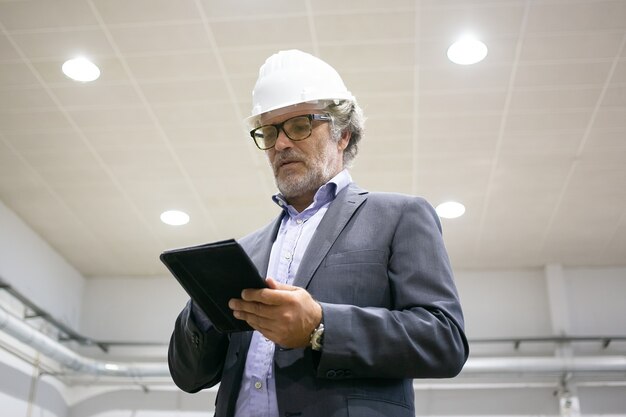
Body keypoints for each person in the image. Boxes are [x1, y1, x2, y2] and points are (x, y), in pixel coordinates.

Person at [168, 49, 469, 417]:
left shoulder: (399, 216)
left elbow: (443, 340)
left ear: (342, 134)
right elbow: (188, 376)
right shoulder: (246, 253)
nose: (280, 143)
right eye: (269, 131)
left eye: (299, 125)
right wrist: (203, 305)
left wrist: (320, 327)